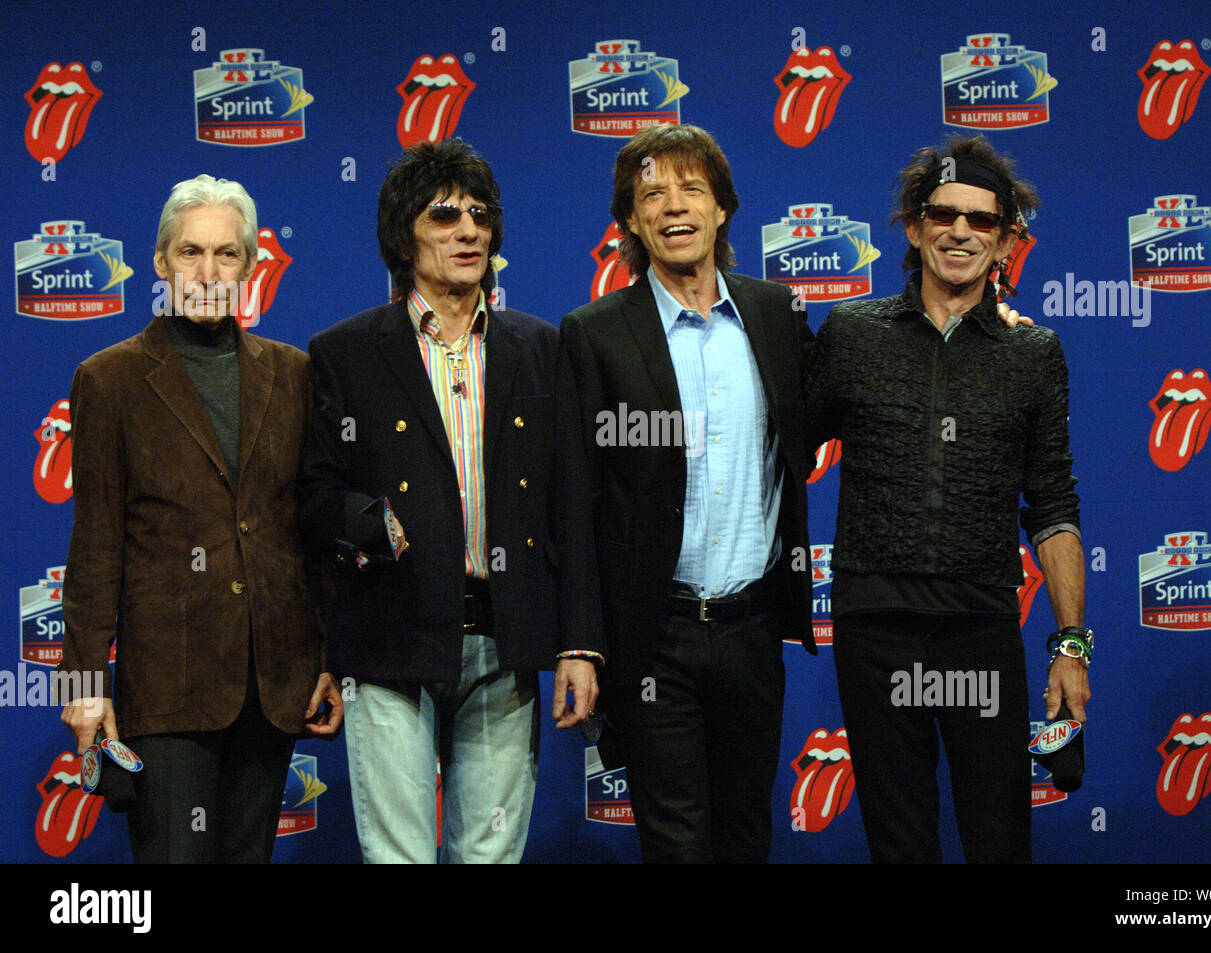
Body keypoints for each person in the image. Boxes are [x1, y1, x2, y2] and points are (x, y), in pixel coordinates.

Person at [297, 139, 600, 864]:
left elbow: (574, 505)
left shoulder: (541, 347)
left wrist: (580, 641)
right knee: (399, 856)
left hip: (507, 641)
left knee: (488, 858)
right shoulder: (345, 351)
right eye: (445, 215)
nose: (469, 230)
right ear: (405, 236)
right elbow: (312, 494)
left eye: (480, 214)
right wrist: (372, 524)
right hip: (389, 637)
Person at [805, 134, 1092, 863]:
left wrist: (1070, 644)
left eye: (982, 221)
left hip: (979, 630)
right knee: (900, 846)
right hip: (875, 633)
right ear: (913, 226)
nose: (960, 230)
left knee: (999, 838)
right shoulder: (852, 334)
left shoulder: (1033, 355)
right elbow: (778, 448)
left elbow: (1053, 505)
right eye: (943, 214)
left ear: (1005, 243)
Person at [58, 173, 342, 863]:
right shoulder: (109, 379)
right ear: (160, 263)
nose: (208, 272)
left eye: (226, 254)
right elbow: (93, 545)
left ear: (250, 264)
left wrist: (330, 661)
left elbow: (311, 533)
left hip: (272, 684)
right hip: (166, 690)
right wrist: (82, 687)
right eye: (190, 252)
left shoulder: (295, 373)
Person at [558, 124, 818, 863]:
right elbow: (575, 499)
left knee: (744, 837)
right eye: (651, 194)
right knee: (676, 845)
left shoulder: (775, 314)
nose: (674, 205)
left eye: (691, 188)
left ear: (722, 208)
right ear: (632, 222)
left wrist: (984, 320)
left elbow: (847, 393)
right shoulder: (595, 333)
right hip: (653, 637)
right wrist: (580, 640)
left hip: (752, 629)